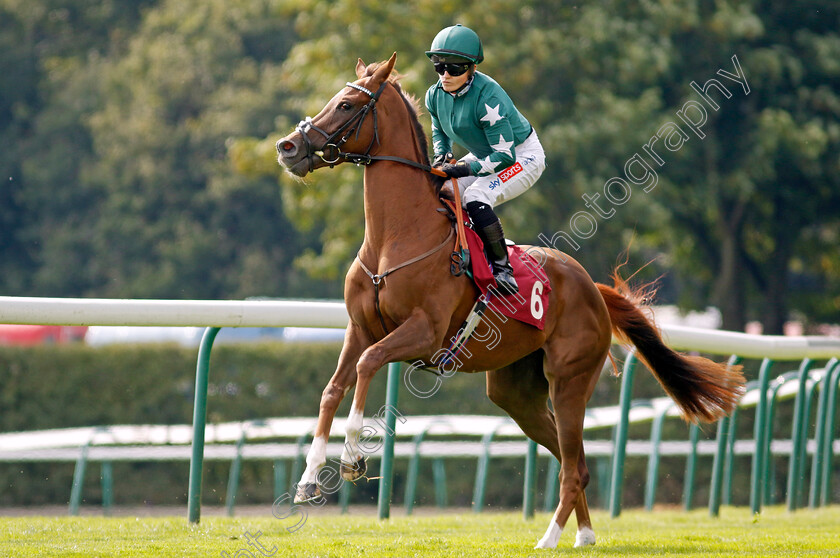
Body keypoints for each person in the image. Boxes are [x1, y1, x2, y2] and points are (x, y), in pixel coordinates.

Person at [425, 24, 546, 295]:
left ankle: (504, 271)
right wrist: (442, 157)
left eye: (454, 68)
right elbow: (438, 128)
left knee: (476, 197)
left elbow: (505, 156)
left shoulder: (488, 98)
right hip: (485, 154)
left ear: (471, 69)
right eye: (439, 66)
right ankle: (463, 253)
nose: (445, 75)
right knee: (442, 190)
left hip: (522, 155)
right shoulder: (434, 95)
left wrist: (463, 168)